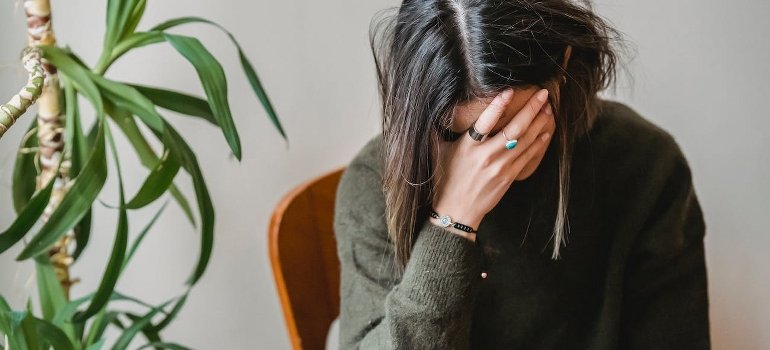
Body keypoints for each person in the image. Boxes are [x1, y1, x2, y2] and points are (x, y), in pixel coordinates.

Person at [333, 0, 710, 349]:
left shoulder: (646, 164)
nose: (490, 159)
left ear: (563, 62)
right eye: (458, 134)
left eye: (514, 127)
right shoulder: (375, 185)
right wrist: (452, 223)